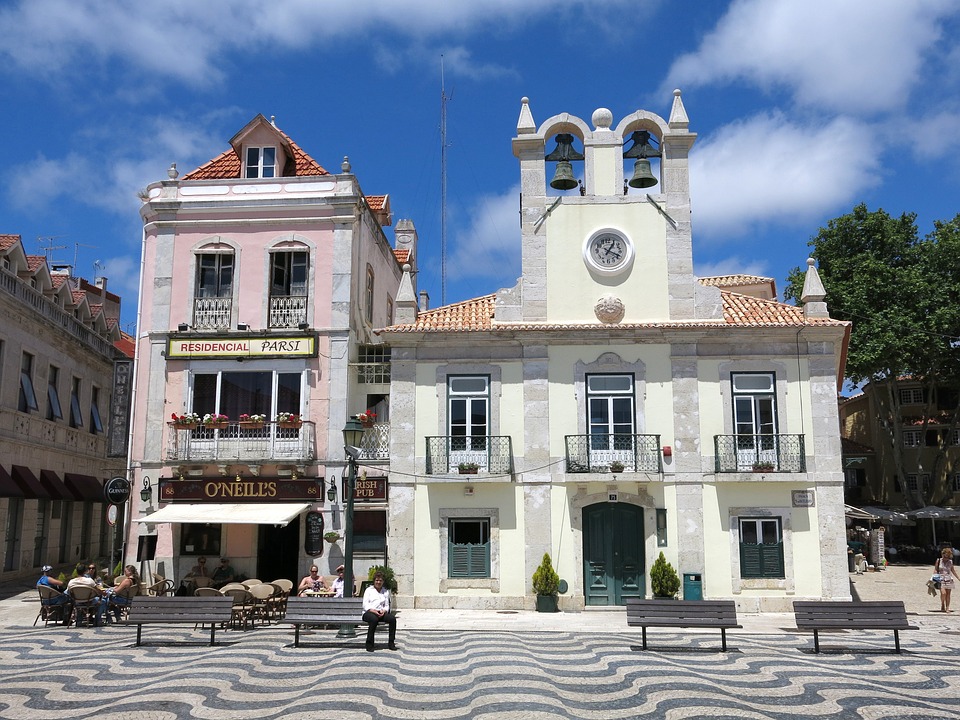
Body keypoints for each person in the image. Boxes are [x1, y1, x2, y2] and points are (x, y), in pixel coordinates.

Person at [361, 571, 397, 652]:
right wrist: (373, 610)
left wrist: (384, 611)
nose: (378, 582)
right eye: (377, 580)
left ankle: (391, 643)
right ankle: (369, 644)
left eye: (380, 580)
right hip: (369, 612)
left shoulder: (385, 591)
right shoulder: (369, 590)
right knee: (374, 620)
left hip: (381, 612)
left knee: (392, 619)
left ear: (383, 582)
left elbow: (387, 605)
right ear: (374, 581)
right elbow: (365, 605)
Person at [936, 546, 959, 613]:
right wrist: (934, 578)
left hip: (949, 579)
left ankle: (947, 607)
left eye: (947, 557)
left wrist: (958, 578)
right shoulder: (938, 560)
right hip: (940, 579)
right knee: (943, 593)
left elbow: (953, 570)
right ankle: (942, 603)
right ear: (942, 554)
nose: (945, 558)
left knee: (948, 594)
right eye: (944, 556)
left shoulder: (950, 562)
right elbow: (935, 569)